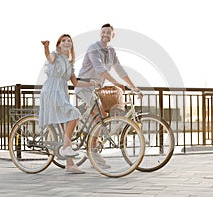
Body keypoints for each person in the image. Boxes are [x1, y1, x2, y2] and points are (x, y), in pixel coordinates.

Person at [75, 23, 141, 168]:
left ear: (113, 35)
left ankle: (90, 139)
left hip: (95, 88)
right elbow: (101, 70)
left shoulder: (111, 51)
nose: (105, 35)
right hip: (84, 86)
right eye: (103, 32)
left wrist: (134, 87)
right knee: (99, 116)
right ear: (100, 34)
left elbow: (120, 69)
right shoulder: (93, 48)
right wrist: (116, 84)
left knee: (100, 116)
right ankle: (92, 151)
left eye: (108, 33)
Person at [39, 34, 93, 174]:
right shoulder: (54, 56)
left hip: (62, 93)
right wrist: (46, 47)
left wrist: (91, 83)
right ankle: (65, 148)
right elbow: (48, 57)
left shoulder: (69, 64)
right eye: (63, 41)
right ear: (58, 45)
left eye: (69, 41)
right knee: (73, 114)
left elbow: (75, 83)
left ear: (71, 46)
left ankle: (69, 165)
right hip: (52, 91)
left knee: (65, 129)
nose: (66, 42)